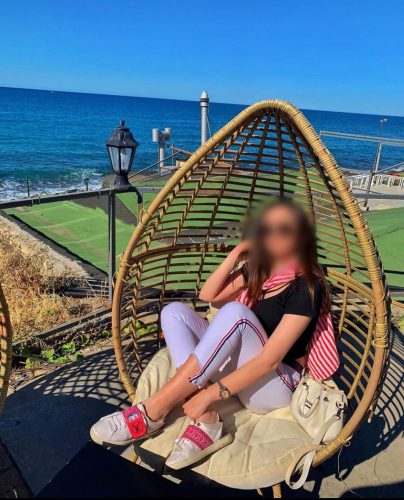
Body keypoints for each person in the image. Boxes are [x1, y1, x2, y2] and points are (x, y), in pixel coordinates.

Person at [90, 198, 337, 470]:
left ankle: (153, 410)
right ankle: (207, 421)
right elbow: (208, 295)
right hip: (241, 373)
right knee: (174, 312)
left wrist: (209, 395)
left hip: (273, 386)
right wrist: (238, 253)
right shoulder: (260, 269)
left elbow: (271, 360)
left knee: (235, 314)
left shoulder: (307, 286)